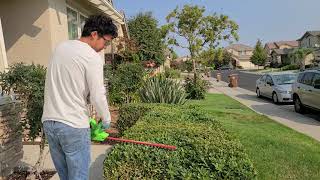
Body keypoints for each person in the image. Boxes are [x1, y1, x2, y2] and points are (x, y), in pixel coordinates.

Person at [41, 14, 118, 180]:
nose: (105, 47)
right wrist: (106, 120)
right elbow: (98, 95)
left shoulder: (60, 47)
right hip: (73, 126)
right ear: (94, 34)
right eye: (106, 41)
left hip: (50, 123)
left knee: (66, 176)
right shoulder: (92, 57)